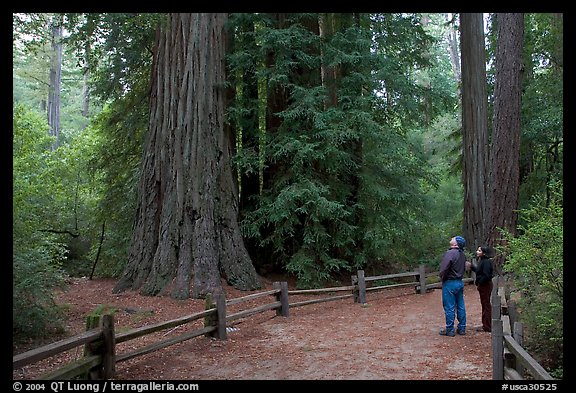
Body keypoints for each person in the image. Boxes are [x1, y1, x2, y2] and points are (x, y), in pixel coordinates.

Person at [438, 236, 467, 336]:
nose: (451, 238)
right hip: (459, 282)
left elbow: (444, 268)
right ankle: (462, 328)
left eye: (454, 238)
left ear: (456, 244)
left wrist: (442, 277)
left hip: (450, 283)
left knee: (449, 306)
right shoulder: (462, 254)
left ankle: (450, 329)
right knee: (460, 305)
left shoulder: (450, 253)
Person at [466, 246, 494, 332]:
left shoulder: (486, 262)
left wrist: (480, 283)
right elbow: (479, 272)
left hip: (485, 286)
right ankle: (485, 324)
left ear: (484, 253)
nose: (477, 252)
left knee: (486, 305)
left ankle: (487, 326)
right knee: (484, 304)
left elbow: (486, 275)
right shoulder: (482, 261)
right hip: (483, 285)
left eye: (479, 250)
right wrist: (471, 266)